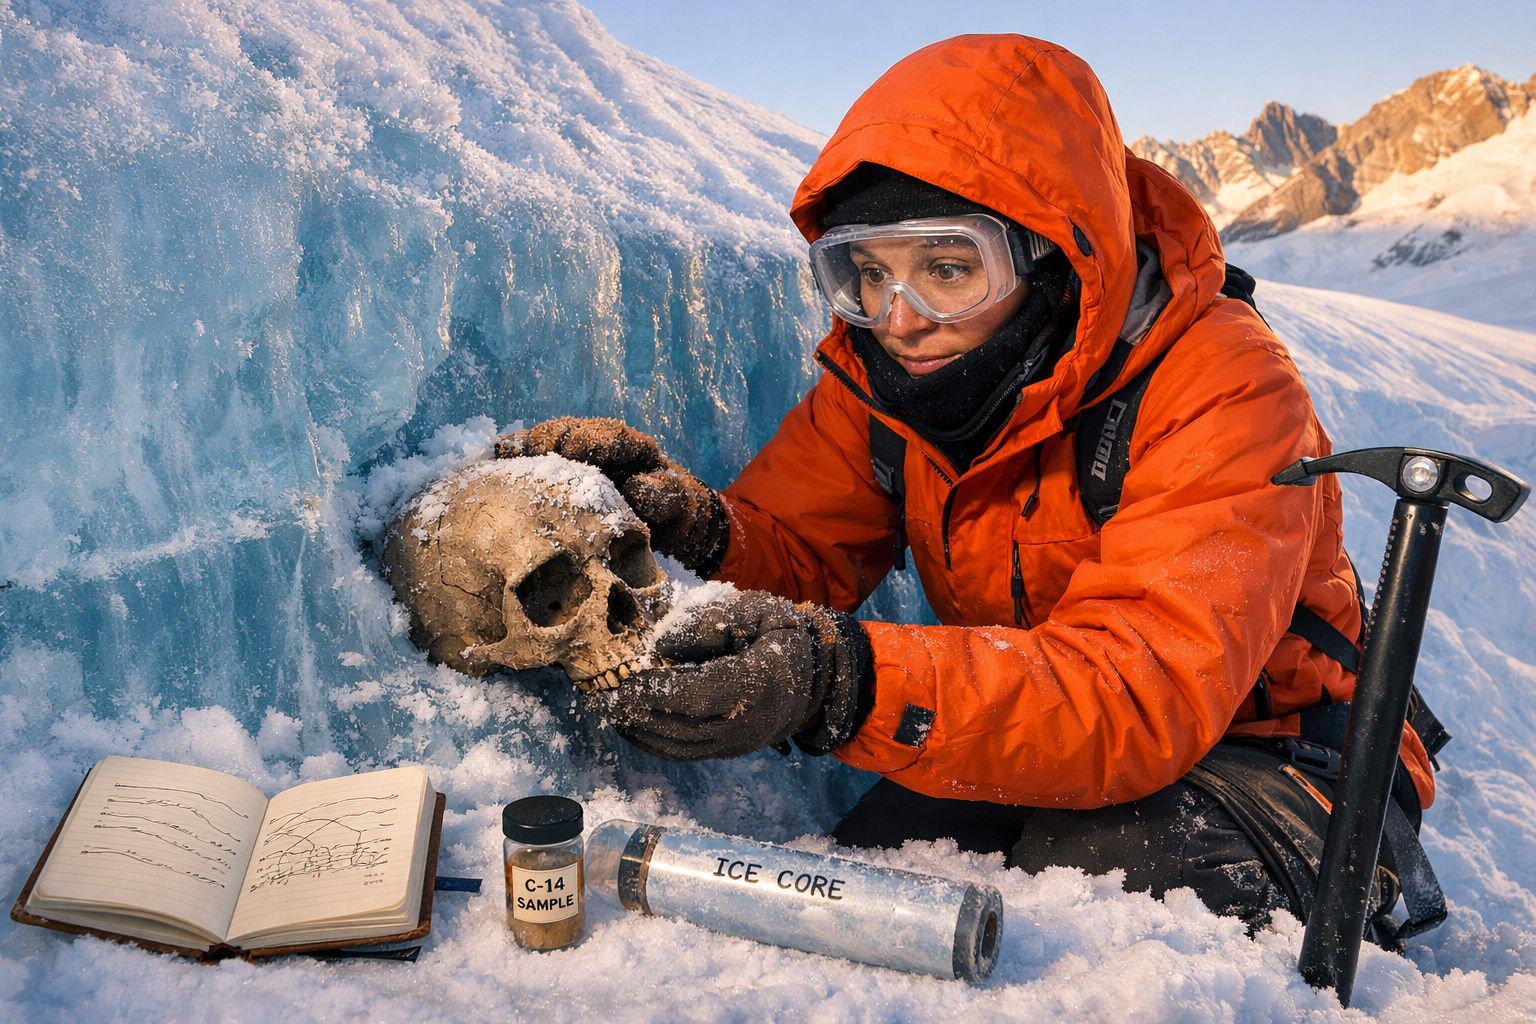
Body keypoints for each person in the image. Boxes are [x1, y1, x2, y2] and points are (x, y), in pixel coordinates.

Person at [498, 34, 1438, 939]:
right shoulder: (893, 384)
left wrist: (843, 682)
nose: (899, 318)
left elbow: (1139, 690)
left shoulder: (1222, 385)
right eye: (864, 274)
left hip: (1281, 757)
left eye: (949, 269)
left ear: (1055, 255)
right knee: (872, 888)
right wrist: (695, 527)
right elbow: (797, 552)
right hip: (1038, 730)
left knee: (1104, 891)